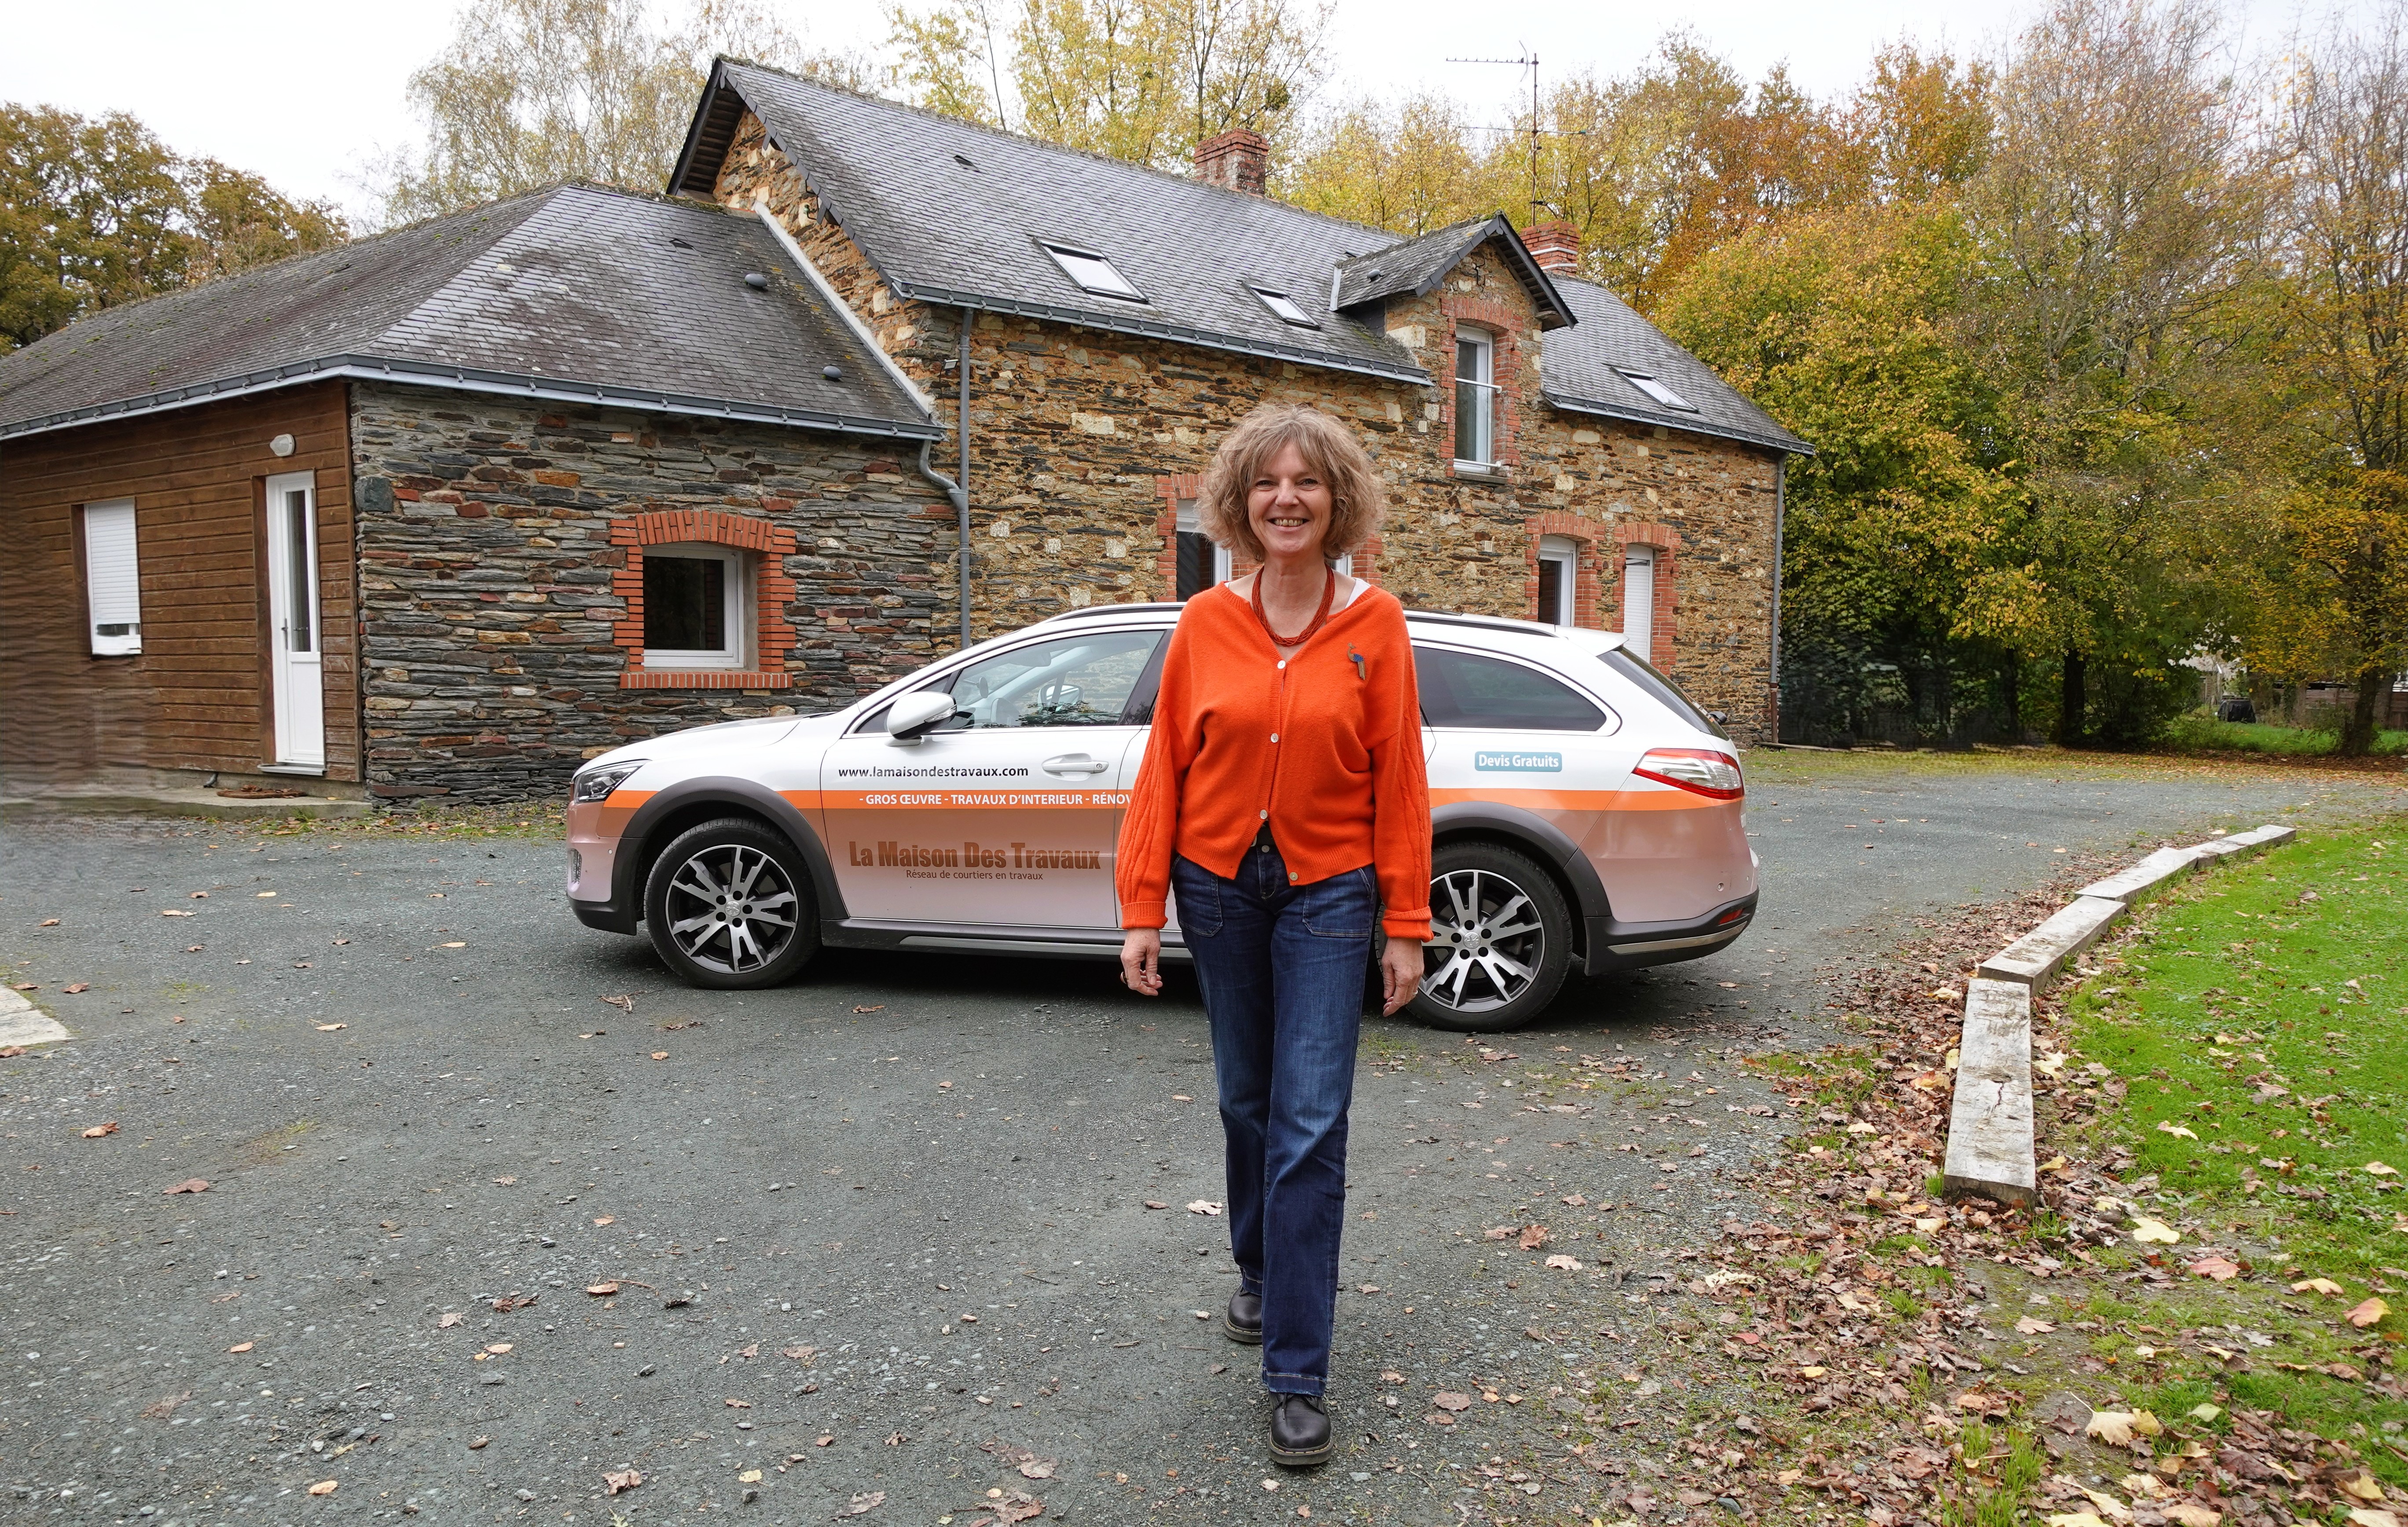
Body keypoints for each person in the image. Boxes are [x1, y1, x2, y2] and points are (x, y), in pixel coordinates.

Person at [1116, 403, 1431, 1468]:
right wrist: (1139, 905)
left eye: (1308, 482)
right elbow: (1165, 764)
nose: (1287, 498)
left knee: (1310, 1123)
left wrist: (1407, 922)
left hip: (1330, 895)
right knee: (1246, 1103)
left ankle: (1298, 1371)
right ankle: (1258, 1266)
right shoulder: (1205, 621)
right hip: (1217, 890)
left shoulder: (1375, 624)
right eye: (1267, 484)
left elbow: (1402, 779)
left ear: (1338, 501)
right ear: (1240, 504)